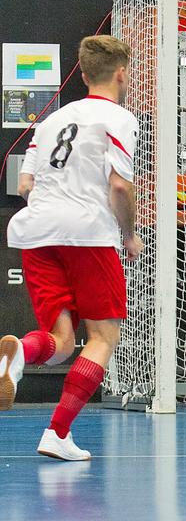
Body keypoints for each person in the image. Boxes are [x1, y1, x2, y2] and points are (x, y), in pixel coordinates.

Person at [0, 35, 142, 461]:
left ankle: (17, 356)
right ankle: (57, 434)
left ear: (81, 75)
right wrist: (129, 233)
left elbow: (25, 184)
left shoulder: (51, 120)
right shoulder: (119, 119)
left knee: (61, 342)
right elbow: (119, 185)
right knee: (103, 336)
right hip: (86, 234)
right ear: (121, 74)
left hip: (35, 231)